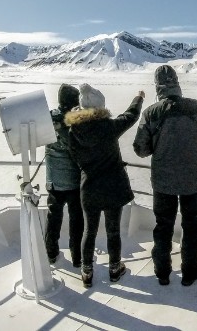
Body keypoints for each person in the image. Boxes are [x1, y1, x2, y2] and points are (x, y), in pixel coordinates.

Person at [133, 65, 197, 286]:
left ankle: (162, 272)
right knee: (191, 225)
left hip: (163, 182)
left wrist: (159, 143)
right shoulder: (196, 107)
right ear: (177, 83)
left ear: (157, 86)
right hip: (194, 180)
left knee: (163, 225)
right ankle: (190, 271)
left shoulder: (151, 112)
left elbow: (140, 149)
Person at [65, 83, 144, 288]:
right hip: (112, 187)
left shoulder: (73, 132)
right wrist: (138, 98)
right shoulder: (108, 127)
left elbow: (74, 158)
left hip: (89, 187)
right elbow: (131, 116)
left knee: (89, 231)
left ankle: (87, 272)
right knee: (113, 230)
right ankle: (115, 269)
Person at [44, 83, 84, 267]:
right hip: (74, 183)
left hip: (54, 182)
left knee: (54, 219)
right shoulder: (75, 122)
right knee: (76, 221)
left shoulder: (48, 119)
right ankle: (77, 257)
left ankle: (50, 253)